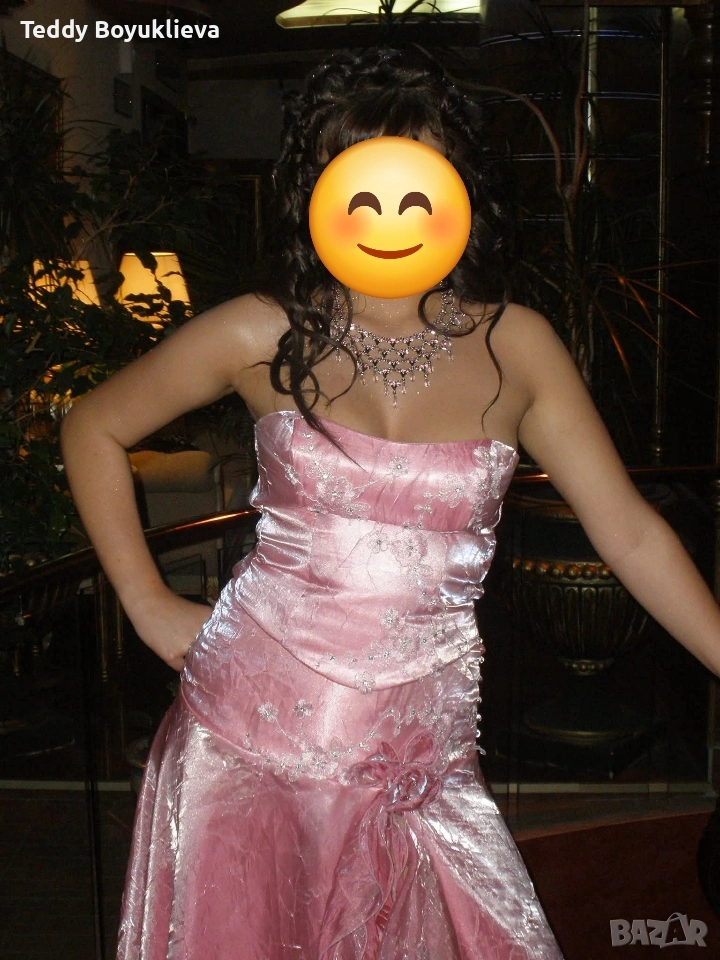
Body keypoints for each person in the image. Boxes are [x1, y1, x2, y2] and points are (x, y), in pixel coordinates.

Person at [60, 46, 720, 960]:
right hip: (243, 741)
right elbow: (92, 426)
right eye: (361, 184)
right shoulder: (260, 330)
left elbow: (632, 535)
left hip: (420, 763)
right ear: (319, 193)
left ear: (459, 191)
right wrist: (144, 600)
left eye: (417, 182)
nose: (389, 214)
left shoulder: (517, 346)